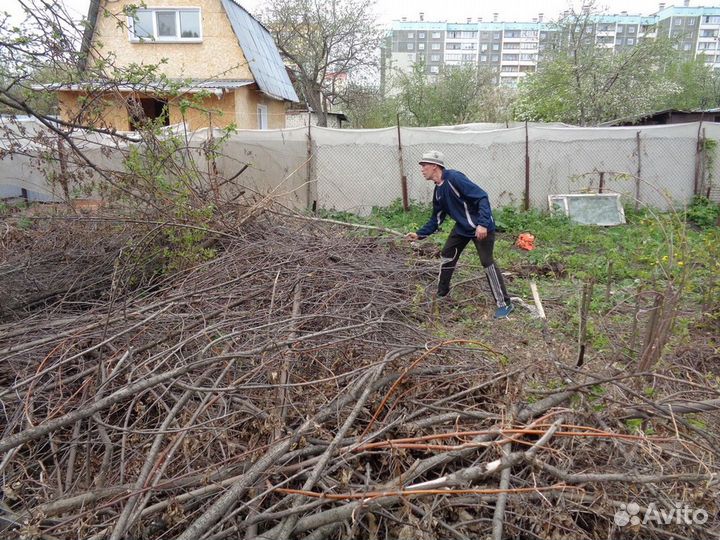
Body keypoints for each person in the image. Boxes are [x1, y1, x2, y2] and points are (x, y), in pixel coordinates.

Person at [405, 150, 514, 319]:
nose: (422, 169)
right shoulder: (438, 192)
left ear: (435, 166)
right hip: (463, 229)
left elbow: (482, 197)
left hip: (481, 228)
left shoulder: (455, 178)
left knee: (487, 262)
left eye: (424, 165)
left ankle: (504, 303)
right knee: (447, 254)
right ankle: (441, 294)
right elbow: (437, 218)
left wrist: (483, 224)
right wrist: (419, 234)